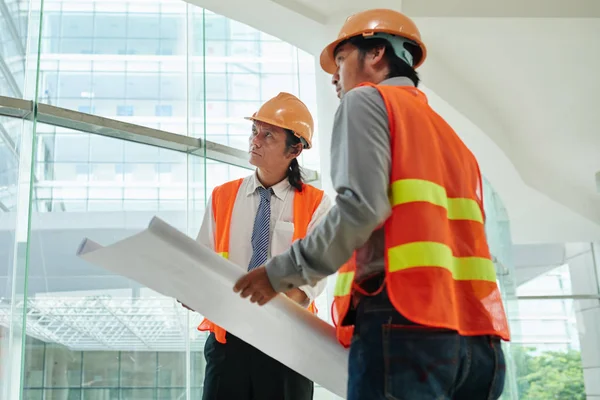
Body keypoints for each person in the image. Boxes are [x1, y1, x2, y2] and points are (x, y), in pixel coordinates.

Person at [234, 9, 511, 400]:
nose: (334, 75)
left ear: (377, 53)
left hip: (406, 327)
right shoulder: (451, 138)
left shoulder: (368, 100)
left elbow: (361, 209)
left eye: (343, 58)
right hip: (479, 344)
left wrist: (278, 273)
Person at [189, 92, 329, 400]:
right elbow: (202, 261)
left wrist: (264, 313)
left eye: (268, 135)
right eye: (255, 131)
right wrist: (190, 289)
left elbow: (310, 282)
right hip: (229, 343)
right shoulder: (223, 196)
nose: (256, 140)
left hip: (287, 344)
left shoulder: (317, 205)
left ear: (295, 148)